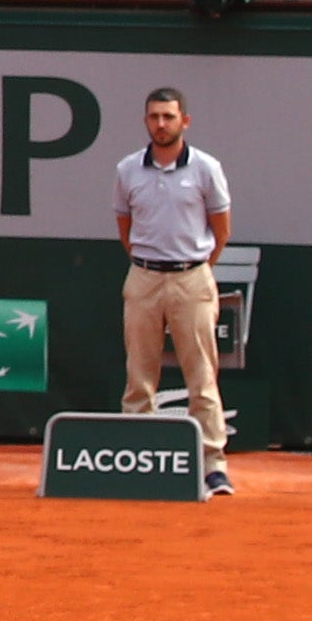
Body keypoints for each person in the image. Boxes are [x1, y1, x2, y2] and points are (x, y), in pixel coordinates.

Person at [112, 86, 233, 495]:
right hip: (143, 279)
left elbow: (221, 230)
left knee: (202, 378)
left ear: (185, 121)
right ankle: (138, 459)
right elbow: (125, 227)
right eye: (154, 117)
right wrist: (148, 264)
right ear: (146, 121)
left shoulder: (206, 168)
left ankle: (212, 465)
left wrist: (193, 270)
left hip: (192, 279)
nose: (161, 124)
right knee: (139, 376)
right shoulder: (127, 169)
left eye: (168, 116)